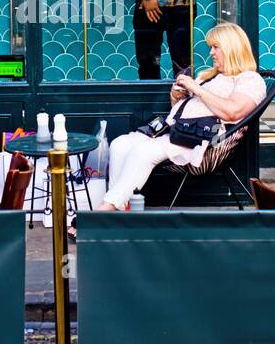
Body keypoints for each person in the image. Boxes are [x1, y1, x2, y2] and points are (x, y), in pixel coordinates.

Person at [99, 22, 266, 211]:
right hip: (178, 133)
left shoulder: (249, 79)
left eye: (215, 47)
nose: (211, 53)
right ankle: (119, 210)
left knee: (143, 151)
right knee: (120, 144)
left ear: (232, 49)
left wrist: (196, 89)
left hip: (205, 143)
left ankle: (105, 210)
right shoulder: (209, 76)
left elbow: (233, 112)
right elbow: (185, 113)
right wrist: (176, 97)